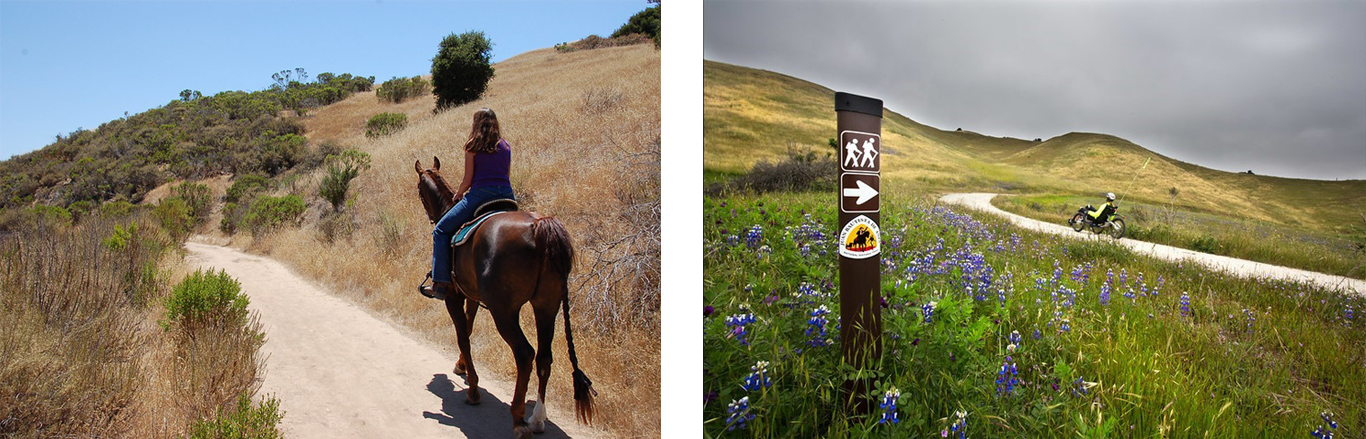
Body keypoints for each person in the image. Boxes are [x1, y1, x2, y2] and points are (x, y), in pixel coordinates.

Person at [422, 108, 516, 300]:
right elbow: (506, 174)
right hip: (507, 195)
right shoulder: (506, 146)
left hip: (480, 196)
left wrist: (458, 194)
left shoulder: (472, 146)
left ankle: (439, 283)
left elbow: (468, 179)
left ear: (476, 124)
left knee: (440, 230)